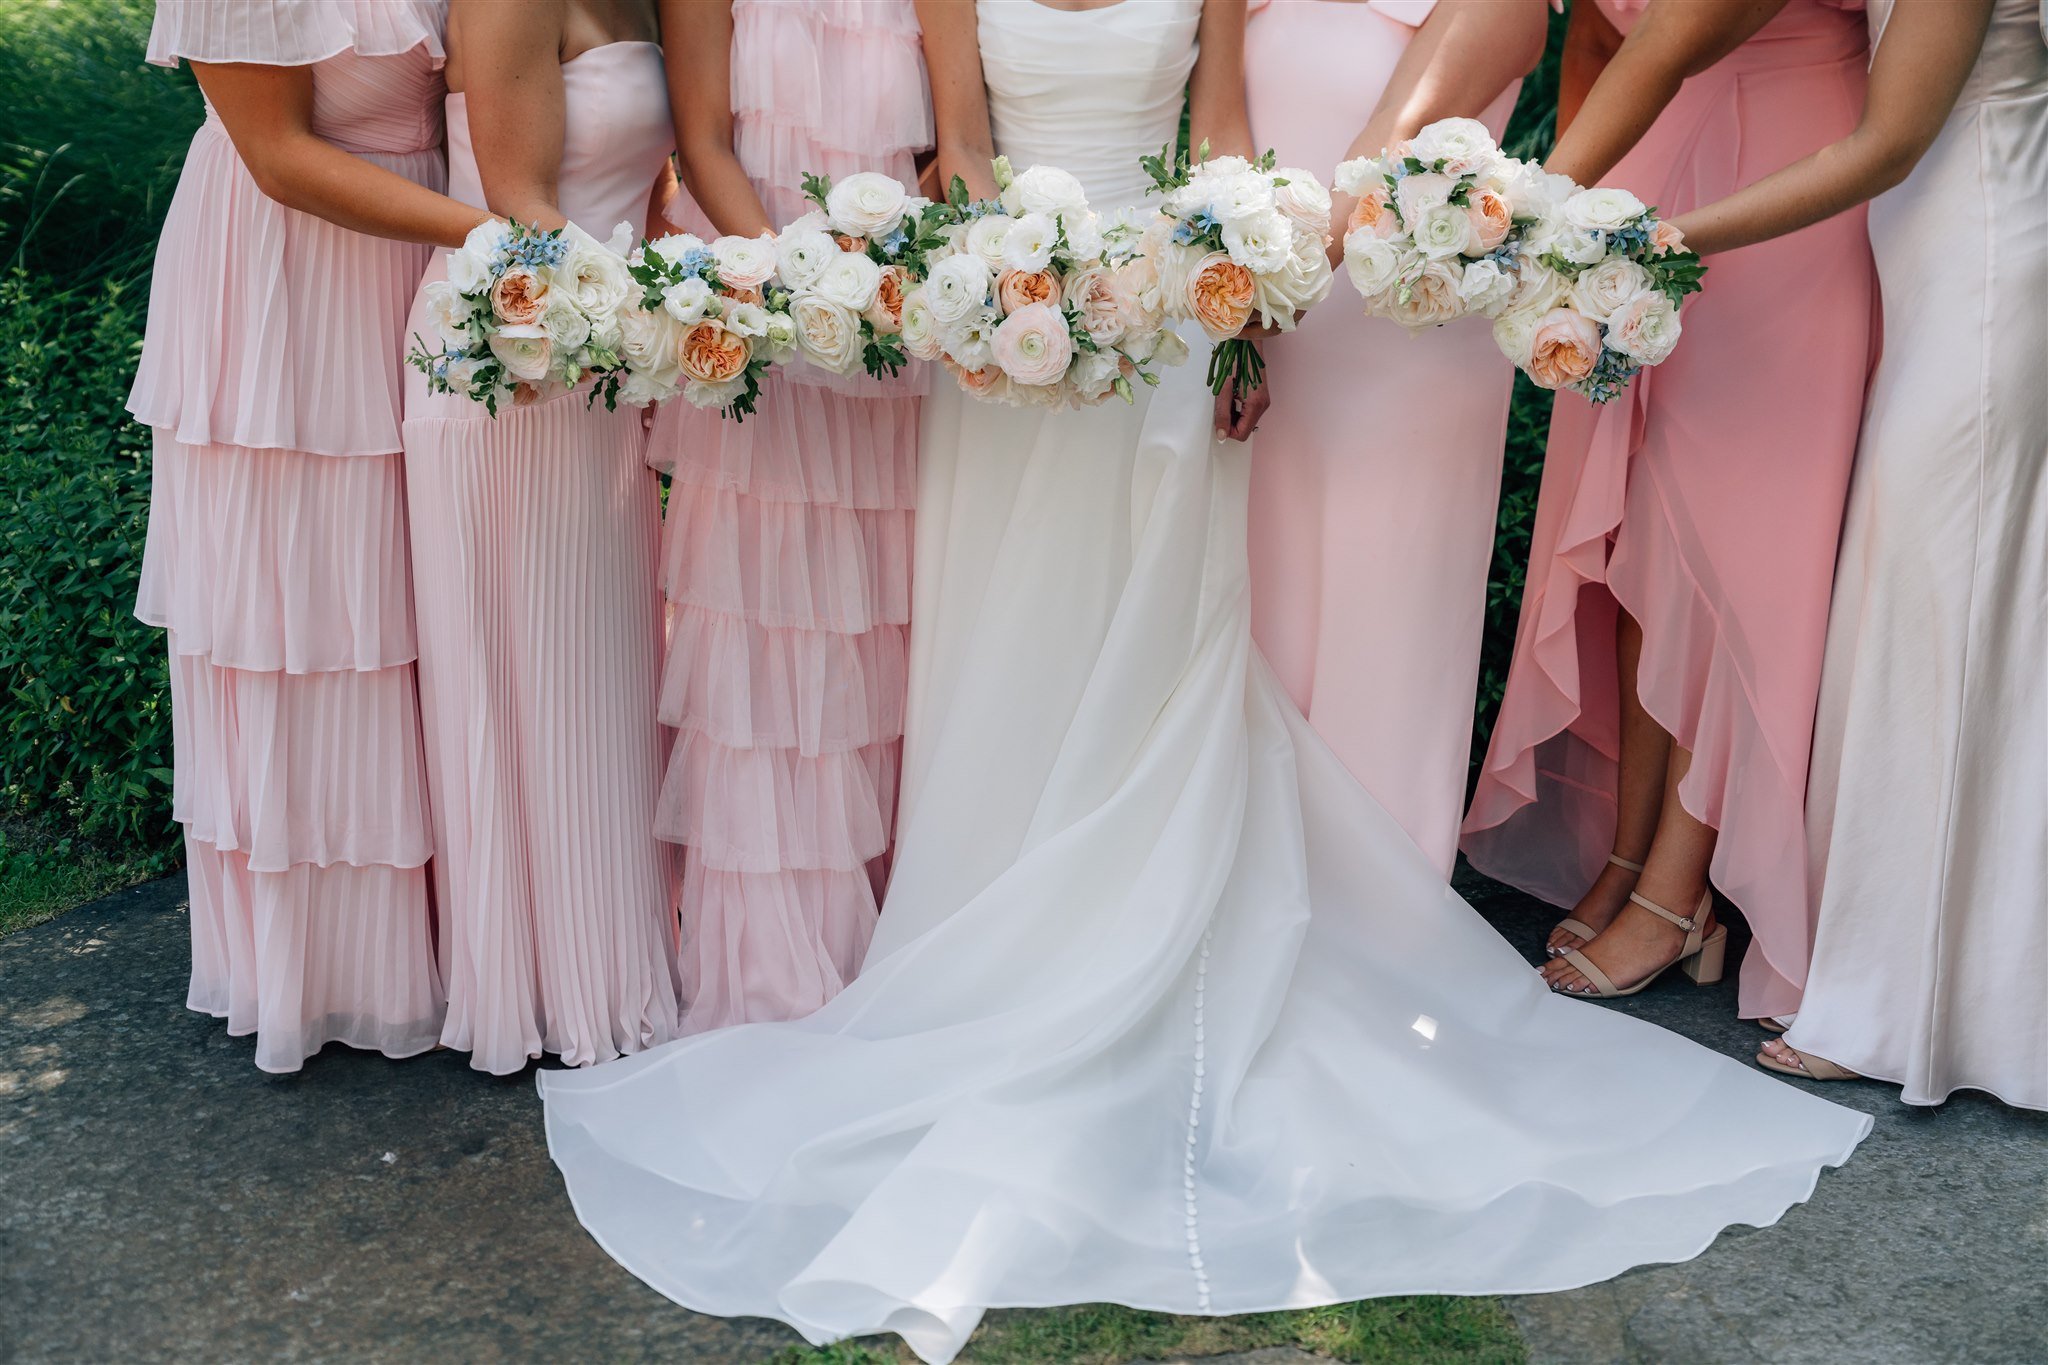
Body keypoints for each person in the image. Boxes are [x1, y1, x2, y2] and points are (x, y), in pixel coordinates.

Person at [535, 4, 1870, 1357]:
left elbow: (1223, 138)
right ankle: (995, 933)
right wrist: (1017, 281)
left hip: (1166, 332)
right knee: (1009, 648)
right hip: (1002, 341)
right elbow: (964, 148)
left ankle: (1158, 923)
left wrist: (1243, 303)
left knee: (1159, 650)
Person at [1462, 0, 1877, 1017]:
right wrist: (1581, 213)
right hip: (1648, 171)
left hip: (1780, 172)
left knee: (1728, 548)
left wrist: (1520, 219)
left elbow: (1669, 36)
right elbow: (1600, 39)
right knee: (1639, 538)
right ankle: (1628, 849)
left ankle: (1679, 889)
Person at [1662, 0, 2042, 1106]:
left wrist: (1669, 237)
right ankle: (1950, 991)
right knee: (1925, 611)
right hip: (1935, 273)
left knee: (1944, 628)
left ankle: (1901, 1005)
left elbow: (1884, 141)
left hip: (1982, 282)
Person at [131, 0, 490, 1073]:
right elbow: (279, 155)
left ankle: (470, 936)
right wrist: (510, 246)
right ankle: (333, 974)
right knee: (320, 616)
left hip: (419, 281)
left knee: (428, 601)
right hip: (290, 291)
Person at [400, 0, 682, 1075]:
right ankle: (545, 990)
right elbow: (519, 209)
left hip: (592, 366)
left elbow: (644, 190)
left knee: (600, 679)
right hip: (507, 360)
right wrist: (640, 317)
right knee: (533, 691)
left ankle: (618, 968)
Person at [644, 0, 931, 1031]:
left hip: (897, 337)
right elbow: (702, 141)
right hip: (768, 321)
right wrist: (801, 290)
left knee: (886, 620)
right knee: (767, 625)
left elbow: (944, 146)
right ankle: (774, 963)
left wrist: (893, 285)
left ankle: (900, 927)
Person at [1242, 0, 1547, 876]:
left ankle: (1377, 913)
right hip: (1272, 342)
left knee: (1382, 644)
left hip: (1401, 348)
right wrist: (1225, 311)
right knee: (1270, 622)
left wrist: (1246, 302)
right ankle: (1254, 888)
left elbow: (1386, 140)